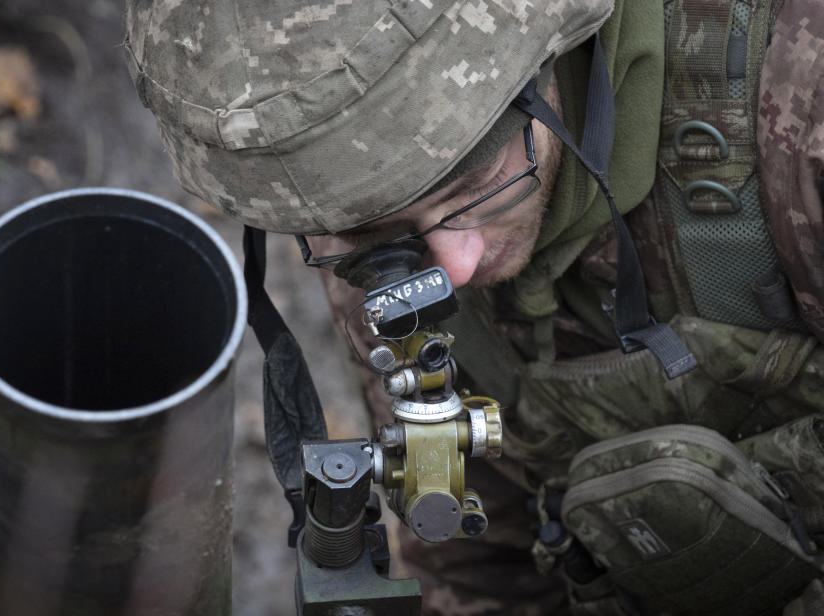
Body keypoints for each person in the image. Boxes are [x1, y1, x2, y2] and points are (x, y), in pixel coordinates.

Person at [125, 1, 824, 614]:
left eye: (478, 185)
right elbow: (477, 552)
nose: (454, 268)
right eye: (375, 236)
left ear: (552, 58)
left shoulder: (799, 92)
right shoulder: (367, 241)